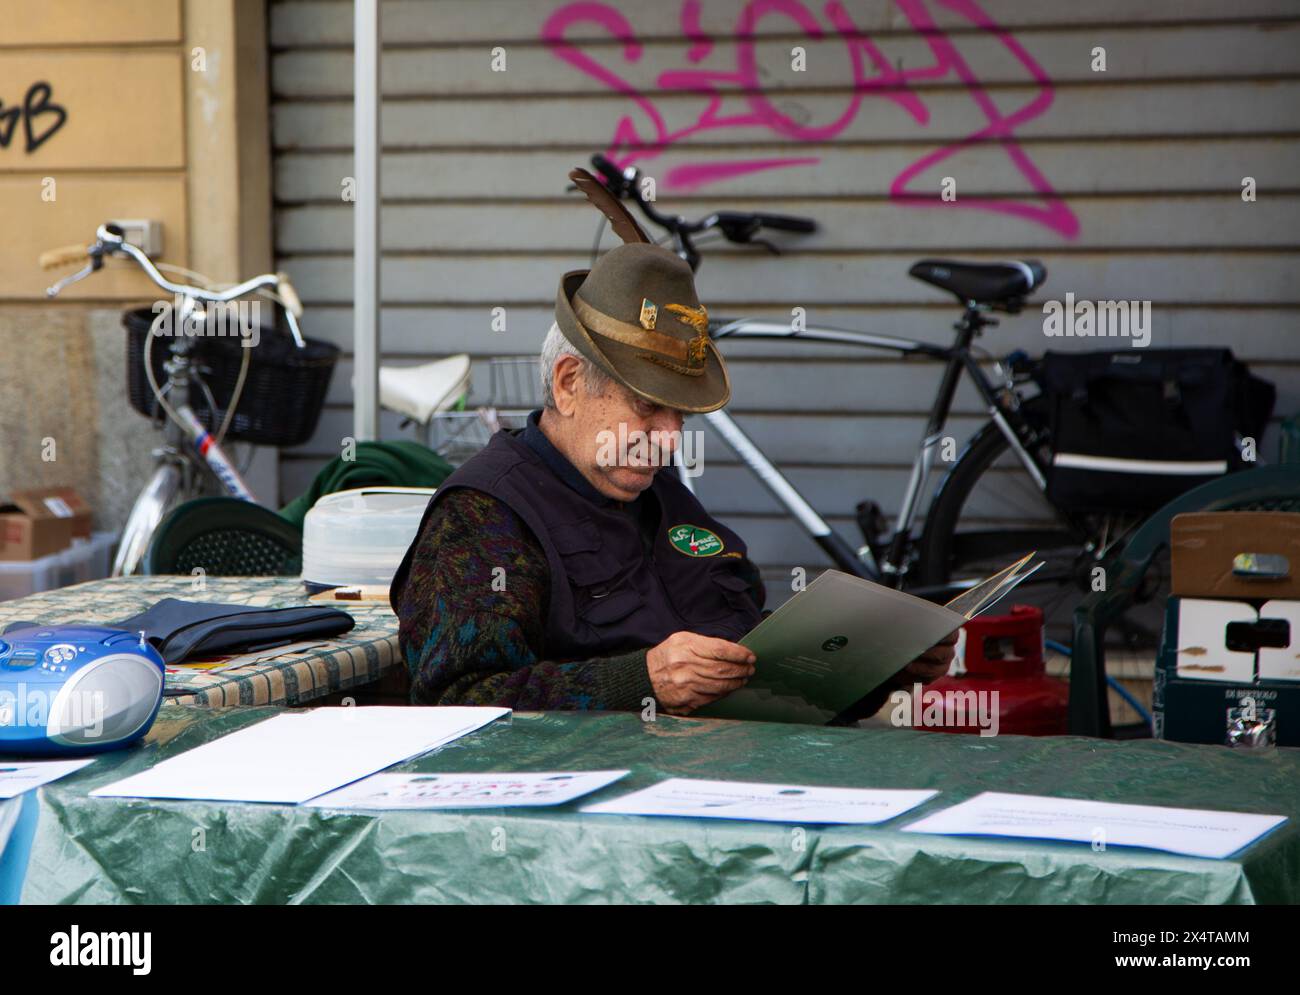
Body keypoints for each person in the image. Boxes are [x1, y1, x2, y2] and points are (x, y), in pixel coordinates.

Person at [390, 240, 955, 719]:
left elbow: (749, 658)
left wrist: (876, 666)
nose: (668, 439)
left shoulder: (656, 493)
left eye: (679, 416)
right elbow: (455, 704)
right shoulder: (485, 516)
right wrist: (640, 682)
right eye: (646, 407)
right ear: (567, 384)